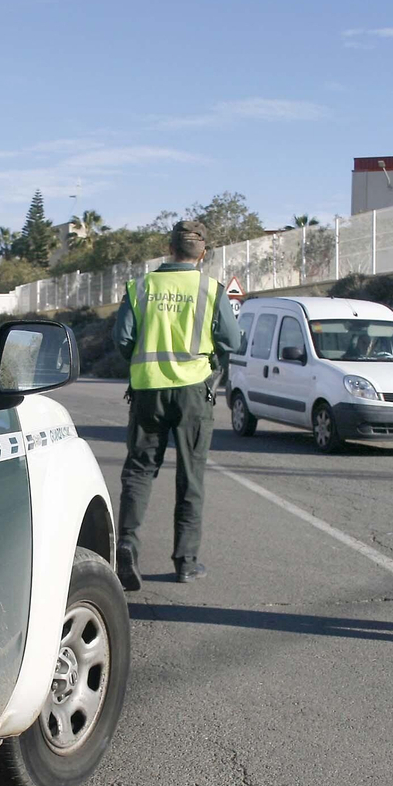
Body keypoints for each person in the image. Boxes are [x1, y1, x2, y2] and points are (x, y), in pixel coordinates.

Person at [112, 219, 243, 590]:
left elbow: (122, 340)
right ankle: (185, 563)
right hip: (192, 392)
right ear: (202, 254)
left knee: (138, 471)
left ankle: (127, 546)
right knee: (191, 477)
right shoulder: (210, 289)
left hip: (147, 391)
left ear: (169, 249)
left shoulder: (140, 287)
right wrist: (210, 360)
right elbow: (232, 341)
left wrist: (143, 364)